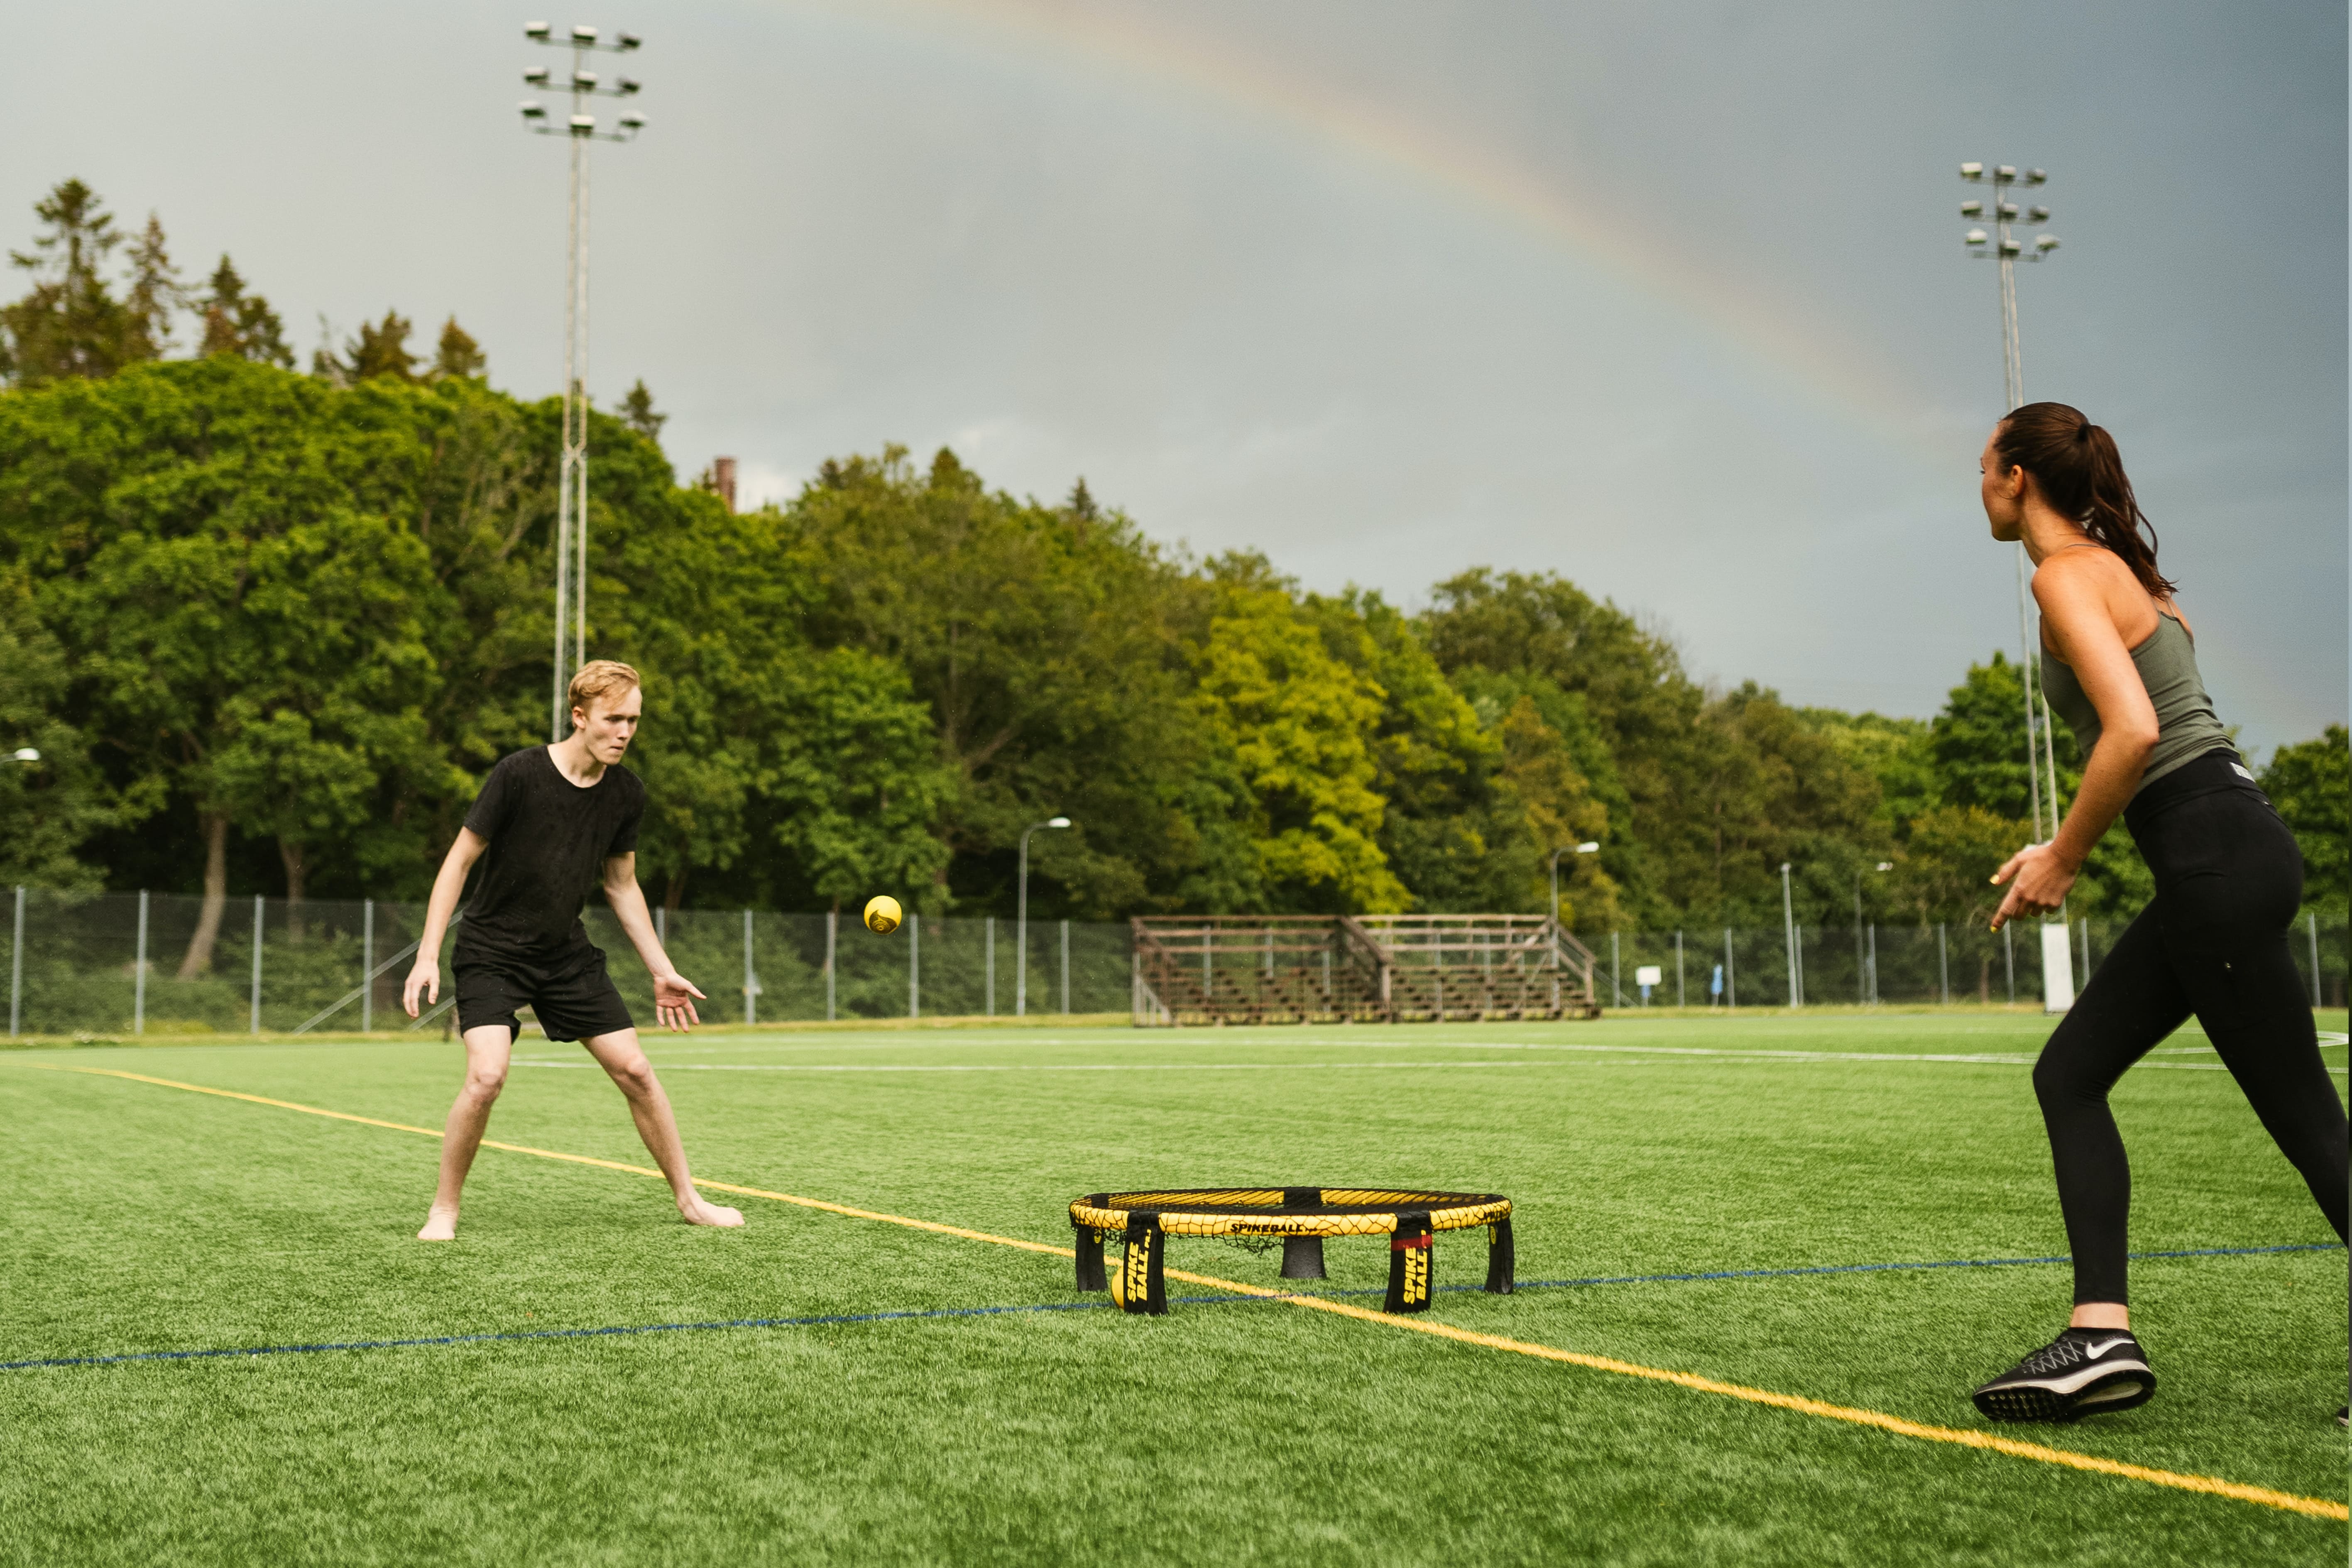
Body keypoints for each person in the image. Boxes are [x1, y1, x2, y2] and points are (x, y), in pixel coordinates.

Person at [1965, 403, 2346, 1424]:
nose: (1979, 487)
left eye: (1983, 468)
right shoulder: (2127, 573)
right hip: (2229, 847)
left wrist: (2063, 854)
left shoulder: (2063, 577)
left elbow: (2131, 730)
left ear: (2014, 477)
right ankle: (2099, 1332)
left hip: (2211, 852)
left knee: (2312, 1127)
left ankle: (2100, 1331)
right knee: (2071, 1072)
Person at [401, 660, 745, 1240]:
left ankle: (690, 1199)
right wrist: (429, 953)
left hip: (564, 955)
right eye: (614, 719)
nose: (625, 731)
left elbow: (620, 884)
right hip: (492, 950)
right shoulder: (519, 774)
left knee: (636, 1069)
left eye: (634, 720)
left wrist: (662, 969)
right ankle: (444, 1210)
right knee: (487, 1076)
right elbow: (458, 861)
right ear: (580, 716)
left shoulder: (626, 793)